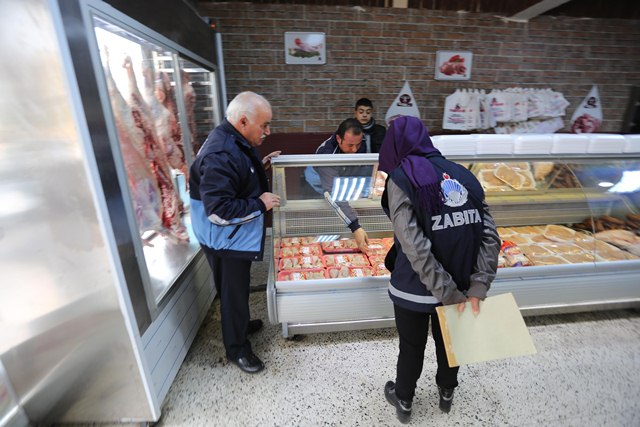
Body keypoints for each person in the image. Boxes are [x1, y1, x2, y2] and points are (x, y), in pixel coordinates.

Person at [378, 116, 500, 423]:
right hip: (460, 286)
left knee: (412, 345)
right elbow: (490, 236)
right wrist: (477, 287)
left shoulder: (401, 178)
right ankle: (447, 392)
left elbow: (414, 245)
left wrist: (447, 293)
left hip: (414, 289)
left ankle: (403, 399)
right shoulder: (463, 176)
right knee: (451, 344)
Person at [189, 91, 281, 374]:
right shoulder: (220, 153)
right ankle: (237, 349)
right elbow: (218, 211)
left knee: (238, 289)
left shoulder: (232, 139)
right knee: (231, 292)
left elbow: (236, 175)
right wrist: (260, 203)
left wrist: (259, 166)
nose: (268, 131)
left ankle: (240, 324)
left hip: (231, 236)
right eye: (264, 125)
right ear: (243, 121)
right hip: (223, 239)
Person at [303, 118, 372, 253]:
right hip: (315, 184)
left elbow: (362, 166)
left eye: (357, 145)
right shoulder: (327, 155)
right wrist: (355, 227)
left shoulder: (358, 142)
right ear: (339, 139)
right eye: (350, 146)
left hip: (340, 177)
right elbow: (333, 194)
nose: (355, 150)